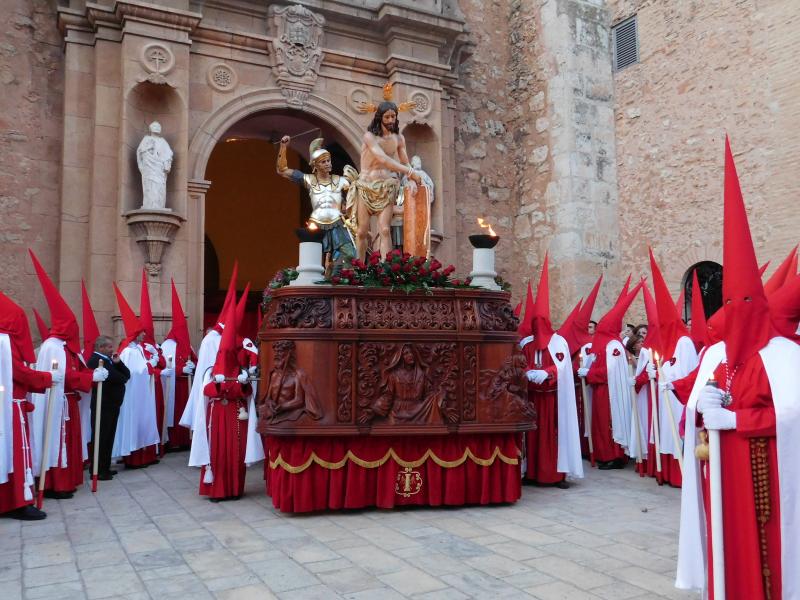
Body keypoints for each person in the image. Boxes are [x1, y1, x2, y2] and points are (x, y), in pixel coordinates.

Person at [677, 140, 800, 599]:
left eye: (746, 302)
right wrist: (701, 407)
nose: (738, 312)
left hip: (771, 476)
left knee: (767, 555)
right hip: (722, 475)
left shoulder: (785, 359)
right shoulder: (716, 357)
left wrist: (739, 420)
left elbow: (793, 416)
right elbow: (696, 408)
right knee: (727, 550)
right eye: (731, 302)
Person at [28, 251, 108, 499]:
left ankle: (69, 480)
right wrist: (88, 379)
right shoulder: (53, 346)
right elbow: (60, 376)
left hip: (70, 403)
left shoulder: (66, 348)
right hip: (57, 404)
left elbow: (77, 369)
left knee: (69, 443)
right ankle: (55, 484)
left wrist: (93, 372)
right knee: (56, 443)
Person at [520, 255, 583, 487]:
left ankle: (556, 474)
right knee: (532, 437)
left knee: (553, 436)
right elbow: (520, 363)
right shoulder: (526, 344)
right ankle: (532, 472)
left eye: (541, 320)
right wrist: (527, 372)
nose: (538, 325)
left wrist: (547, 373)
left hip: (553, 400)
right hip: (532, 398)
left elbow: (562, 366)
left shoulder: (558, 343)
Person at [0, 291, 59, 520]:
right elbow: (18, 371)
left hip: (11, 403)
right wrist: (47, 378)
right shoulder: (4, 342)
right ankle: (18, 502)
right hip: (10, 407)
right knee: (15, 454)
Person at [346, 90, 423, 260]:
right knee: (362, 231)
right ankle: (359, 269)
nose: (390, 120)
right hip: (366, 186)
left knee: (385, 229)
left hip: (387, 186)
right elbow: (383, 158)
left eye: (393, 117)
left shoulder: (399, 139)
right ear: (379, 117)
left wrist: (412, 177)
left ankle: (385, 269)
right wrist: (410, 172)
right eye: (386, 117)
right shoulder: (369, 136)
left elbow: (404, 161)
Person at [579, 280, 642, 469]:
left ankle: (614, 456)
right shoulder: (605, 344)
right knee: (599, 423)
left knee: (609, 423)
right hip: (600, 390)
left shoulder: (614, 345)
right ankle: (603, 454)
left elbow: (610, 372)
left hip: (610, 392)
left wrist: (589, 373)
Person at [276, 136, 357, 272]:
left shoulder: (340, 180)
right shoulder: (308, 179)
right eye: (323, 162)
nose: (327, 164)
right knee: (313, 258)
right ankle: (320, 283)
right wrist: (283, 147)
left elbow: (357, 190)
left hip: (337, 223)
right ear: (315, 165)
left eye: (328, 161)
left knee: (349, 253)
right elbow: (282, 170)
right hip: (316, 224)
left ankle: (338, 281)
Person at [111, 284, 160, 468]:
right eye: (140, 333)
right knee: (135, 422)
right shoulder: (129, 352)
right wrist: (151, 365)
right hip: (133, 394)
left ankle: (144, 454)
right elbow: (134, 372)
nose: (143, 335)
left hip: (141, 393)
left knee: (143, 422)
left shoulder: (137, 349)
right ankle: (133, 457)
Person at [87, 336, 130, 480]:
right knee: (101, 436)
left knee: (109, 436)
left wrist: (118, 363)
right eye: (110, 347)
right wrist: (117, 370)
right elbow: (120, 378)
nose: (113, 349)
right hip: (103, 405)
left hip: (112, 404)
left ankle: (105, 466)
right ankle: (97, 469)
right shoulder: (96, 361)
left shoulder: (109, 360)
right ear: (101, 348)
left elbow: (126, 374)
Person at [160, 280, 195, 451]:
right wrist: (182, 369)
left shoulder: (188, 346)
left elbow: (197, 362)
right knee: (174, 413)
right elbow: (165, 366)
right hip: (173, 386)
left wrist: (192, 366)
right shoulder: (167, 345)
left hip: (186, 387)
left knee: (185, 411)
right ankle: (172, 441)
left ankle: (186, 440)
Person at [136, 121, 173, 210]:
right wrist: (148, 150)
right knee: (150, 185)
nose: (157, 127)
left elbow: (169, 154)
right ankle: (149, 204)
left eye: (159, 126)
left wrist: (166, 163)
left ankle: (159, 205)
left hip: (159, 168)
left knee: (159, 185)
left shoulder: (163, 141)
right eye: (155, 126)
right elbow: (140, 153)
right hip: (148, 167)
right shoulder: (146, 139)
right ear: (150, 128)